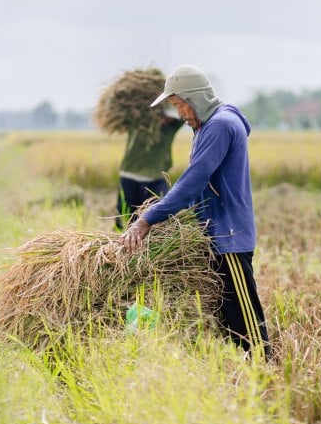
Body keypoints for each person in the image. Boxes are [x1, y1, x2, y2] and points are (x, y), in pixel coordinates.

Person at [119, 64, 271, 359]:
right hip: (214, 236)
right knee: (228, 321)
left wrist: (147, 220)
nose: (180, 114)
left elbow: (193, 181)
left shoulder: (220, 125)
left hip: (229, 237)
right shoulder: (206, 125)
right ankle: (245, 381)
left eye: (179, 105)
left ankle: (269, 382)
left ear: (193, 98)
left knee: (247, 323)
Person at [115, 109, 183, 231]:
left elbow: (186, 113)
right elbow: (129, 110)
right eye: (164, 116)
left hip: (156, 178)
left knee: (160, 213)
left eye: (171, 118)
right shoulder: (139, 124)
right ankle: (119, 242)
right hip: (130, 176)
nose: (167, 120)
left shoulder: (171, 129)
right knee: (124, 215)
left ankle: (152, 242)